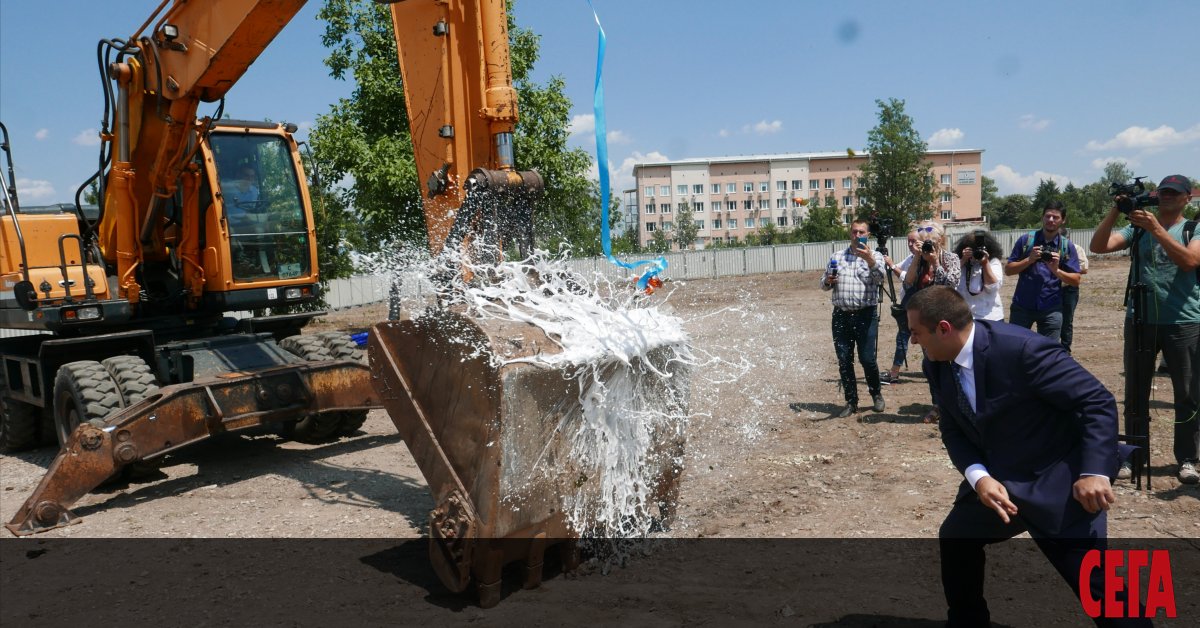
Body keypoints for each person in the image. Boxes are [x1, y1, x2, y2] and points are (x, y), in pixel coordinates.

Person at [905, 286, 1146, 628]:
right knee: (957, 538)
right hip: (1000, 484)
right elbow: (954, 430)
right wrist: (980, 478)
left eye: (916, 333)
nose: (913, 342)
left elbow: (1096, 402)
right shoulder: (937, 363)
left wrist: (1094, 472)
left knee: (1101, 589)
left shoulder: (1024, 350)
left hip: (1059, 484)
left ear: (943, 328)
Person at [1090, 174, 1200, 485]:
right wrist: (1118, 211)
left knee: (1188, 393)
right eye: (1163, 192)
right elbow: (1099, 246)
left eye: (1174, 193)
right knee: (1135, 393)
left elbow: (1190, 261)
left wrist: (1156, 230)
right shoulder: (1136, 227)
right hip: (1140, 320)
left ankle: (1188, 459)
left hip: (1184, 321)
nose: (1166, 197)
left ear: (1186, 198)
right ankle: (1132, 456)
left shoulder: (1193, 228)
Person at [820, 220, 887, 417]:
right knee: (843, 360)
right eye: (854, 232)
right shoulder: (837, 256)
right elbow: (823, 285)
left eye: (862, 232)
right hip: (841, 315)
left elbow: (880, 279)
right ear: (850, 233)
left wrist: (870, 261)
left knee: (867, 359)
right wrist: (827, 281)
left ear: (868, 235)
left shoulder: (876, 256)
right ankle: (851, 401)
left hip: (865, 314)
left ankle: (876, 394)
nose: (858, 235)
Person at [902, 221, 961, 423]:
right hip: (925, 321)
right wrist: (918, 258)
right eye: (924, 242)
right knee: (931, 364)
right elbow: (908, 281)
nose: (927, 246)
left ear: (941, 241)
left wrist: (935, 262)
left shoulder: (951, 258)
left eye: (931, 242)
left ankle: (954, 404)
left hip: (946, 318)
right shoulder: (917, 259)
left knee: (949, 363)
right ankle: (938, 405)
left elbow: (952, 283)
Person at [1004, 201, 1081, 340]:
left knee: (1048, 352)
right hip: (1022, 306)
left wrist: (1056, 270)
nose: (1051, 220)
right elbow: (1008, 270)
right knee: (1015, 348)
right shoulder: (1026, 240)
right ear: (1042, 217)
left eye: (1055, 217)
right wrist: (1029, 260)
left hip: (1051, 308)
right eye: (1048, 216)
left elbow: (1076, 280)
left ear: (1063, 220)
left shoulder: (1066, 246)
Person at [881, 229, 919, 384]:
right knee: (903, 337)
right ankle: (895, 372)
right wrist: (886, 262)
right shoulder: (911, 258)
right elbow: (897, 269)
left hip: (917, 306)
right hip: (908, 304)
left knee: (906, 337)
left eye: (913, 241)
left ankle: (894, 373)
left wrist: (891, 265)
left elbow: (909, 279)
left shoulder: (924, 258)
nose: (910, 244)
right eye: (908, 241)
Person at [953, 230, 1004, 321]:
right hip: (965, 318)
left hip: (990, 317)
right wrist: (963, 260)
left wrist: (985, 263)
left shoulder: (993, 262)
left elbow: (993, 288)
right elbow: (950, 280)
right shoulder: (961, 263)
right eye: (972, 250)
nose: (975, 253)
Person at [1059, 227, 1090, 354]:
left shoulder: (1076, 248)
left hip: (1069, 288)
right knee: (1049, 319)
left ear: (1067, 238)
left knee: (1067, 320)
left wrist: (1065, 267)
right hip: (1050, 288)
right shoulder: (1048, 249)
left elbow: (1084, 268)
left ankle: (1065, 351)